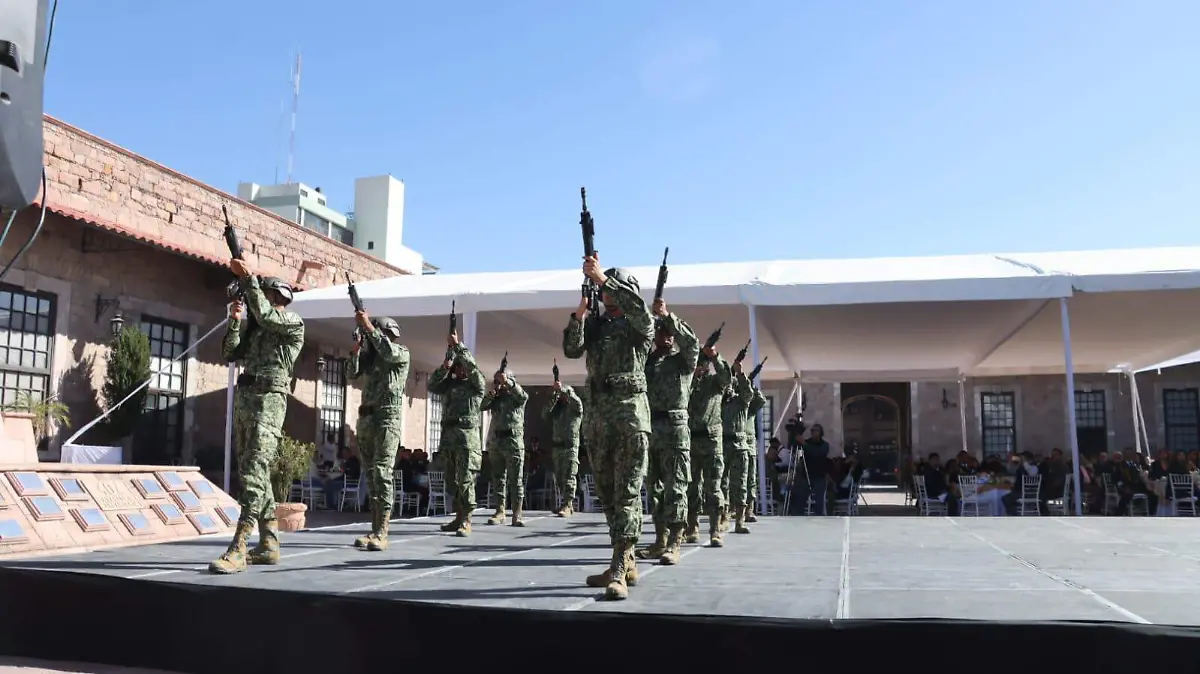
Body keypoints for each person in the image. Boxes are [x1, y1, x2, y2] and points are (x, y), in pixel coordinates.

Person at [563, 254, 654, 601]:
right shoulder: (598, 326)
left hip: (630, 417)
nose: (607, 295)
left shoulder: (637, 325)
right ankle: (625, 559)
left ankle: (619, 569)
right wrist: (581, 313)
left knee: (627, 493)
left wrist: (604, 279)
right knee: (608, 496)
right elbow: (571, 349)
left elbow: (642, 313)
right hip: (599, 420)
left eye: (613, 290)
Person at [208, 269, 304, 575]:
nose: (255, 299)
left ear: (276, 295)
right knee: (254, 472)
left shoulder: (291, 322)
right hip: (247, 400)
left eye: (263, 293)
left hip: (269, 403)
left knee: (253, 472)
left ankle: (238, 546)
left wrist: (248, 279)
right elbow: (230, 353)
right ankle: (268, 544)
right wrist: (235, 321)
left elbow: (265, 315)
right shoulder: (258, 327)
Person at [638, 298, 699, 565]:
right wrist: (651, 321)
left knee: (676, 488)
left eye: (667, 332)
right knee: (655, 489)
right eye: (660, 331)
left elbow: (693, 343)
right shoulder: (647, 362)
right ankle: (660, 539)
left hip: (675, 431)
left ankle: (675, 541)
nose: (664, 336)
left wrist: (668, 316)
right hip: (652, 429)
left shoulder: (683, 361)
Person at [345, 312, 410, 550]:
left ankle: (382, 532)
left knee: (382, 473)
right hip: (367, 419)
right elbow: (351, 373)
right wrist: (357, 348)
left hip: (386, 419)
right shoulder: (370, 357)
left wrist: (368, 328)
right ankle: (374, 530)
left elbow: (388, 351)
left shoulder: (400, 352)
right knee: (372, 476)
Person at [428, 330, 487, 537]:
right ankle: (458, 516)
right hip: (449, 439)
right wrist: (445, 365)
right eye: (457, 366)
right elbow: (431, 385)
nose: (460, 369)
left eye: (462, 366)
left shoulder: (476, 386)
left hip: (466, 440)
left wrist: (458, 346)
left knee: (465, 480)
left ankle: (467, 520)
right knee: (452, 481)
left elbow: (474, 370)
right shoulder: (449, 385)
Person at [686, 346, 730, 546]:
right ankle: (692, 527)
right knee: (692, 488)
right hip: (691, 441)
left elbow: (726, 377)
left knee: (713, 488)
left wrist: (715, 356)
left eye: (702, 365)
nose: (699, 368)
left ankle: (714, 530)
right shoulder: (687, 384)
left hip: (712, 442)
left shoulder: (714, 383)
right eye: (697, 365)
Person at [481, 364, 530, 526]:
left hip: (513, 442)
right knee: (498, 478)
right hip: (496, 442)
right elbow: (481, 406)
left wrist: (508, 383)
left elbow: (523, 396)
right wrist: (492, 393)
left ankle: (517, 513)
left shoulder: (516, 397)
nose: (498, 383)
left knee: (516, 480)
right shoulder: (495, 398)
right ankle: (500, 511)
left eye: (500, 380)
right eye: (496, 380)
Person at [720, 361, 754, 534]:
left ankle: (740, 520)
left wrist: (740, 374)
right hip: (722, 443)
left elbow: (749, 393)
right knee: (721, 483)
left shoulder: (741, 401)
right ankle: (723, 516)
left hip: (740, 445)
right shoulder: (718, 402)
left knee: (740, 483)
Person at [543, 378, 584, 516]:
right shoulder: (557, 410)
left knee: (569, 476)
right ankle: (566, 504)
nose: (562, 397)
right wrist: (554, 397)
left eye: (564, 395)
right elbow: (545, 414)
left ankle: (568, 504)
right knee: (560, 478)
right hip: (557, 448)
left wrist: (564, 390)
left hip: (569, 448)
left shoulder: (575, 409)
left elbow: (577, 402)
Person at [744, 376, 767, 523]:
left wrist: (751, 384)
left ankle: (749, 510)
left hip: (749, 443)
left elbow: (761, 400)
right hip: (731, 443)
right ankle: (730, 509)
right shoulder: (733, 402)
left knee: (750, 479)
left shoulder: (750, 406)